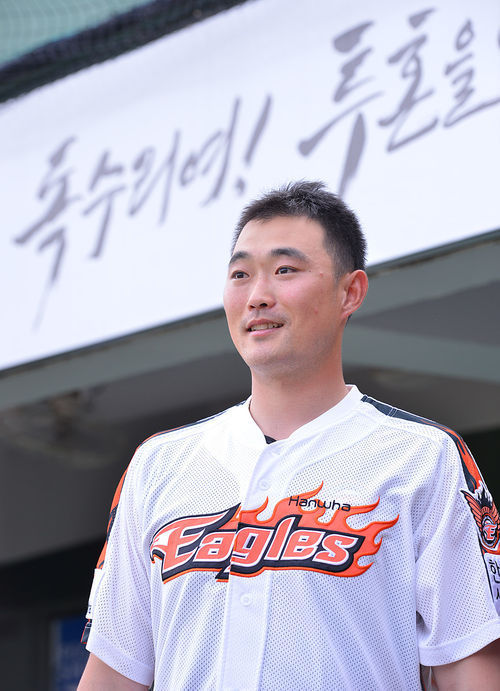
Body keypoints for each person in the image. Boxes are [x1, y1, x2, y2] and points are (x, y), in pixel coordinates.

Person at [78, 181, 500, 690]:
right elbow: (114, 672)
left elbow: (470, 667)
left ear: (350, 292)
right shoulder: (159, 464)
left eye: (285, 270)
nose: (257, 296)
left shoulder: (422, 458)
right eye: (240, 275)